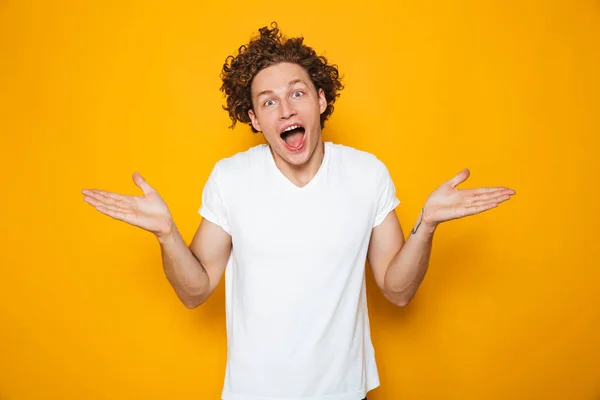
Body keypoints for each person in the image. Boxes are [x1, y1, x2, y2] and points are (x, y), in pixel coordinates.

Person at [81, 22, 515, 400]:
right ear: (253, 118)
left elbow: (397, 291)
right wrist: (166, 234)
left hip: (346, 392)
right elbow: (195, 292)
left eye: (297, 93)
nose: (286, 109)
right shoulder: (231, 178)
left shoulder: (366, 174)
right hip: (255, 394)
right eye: (268, 102)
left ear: (321, 101)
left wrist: (427, 225)